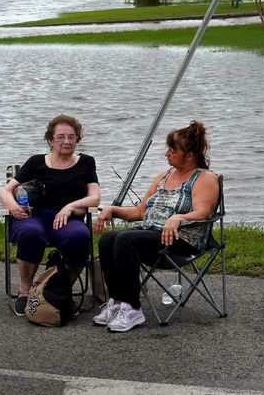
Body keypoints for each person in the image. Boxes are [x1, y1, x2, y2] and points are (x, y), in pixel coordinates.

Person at [92, 120, 219, 332]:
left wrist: (178, 217)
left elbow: (203, 212)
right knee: (108, 239)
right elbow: (140, 213)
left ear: (189, 155)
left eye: (172, 150)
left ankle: (133, 309)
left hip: (183, 241)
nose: (166, 153)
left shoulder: (205, 178)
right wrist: (111, 210)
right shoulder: (164, 175)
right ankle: (115, 302)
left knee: (126, 239)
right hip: (152, 236)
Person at [0, 114, 101, 316]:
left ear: (77, 138)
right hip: (35, 216)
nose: (67, 141)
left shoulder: (86, 163)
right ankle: (25, 291)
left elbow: (95, 198)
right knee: (30, 232)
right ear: (50, 140)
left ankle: (61, 289)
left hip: (68, 219)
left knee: (80, 237)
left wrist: (70, 206)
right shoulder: (36, 162)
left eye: (71, 137)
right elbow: (5, 191)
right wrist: (13, 207)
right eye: (61, 137)